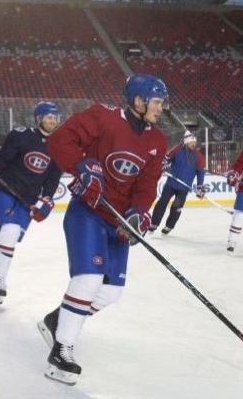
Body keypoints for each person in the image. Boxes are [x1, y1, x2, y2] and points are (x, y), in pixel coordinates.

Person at [36, 74, 167, 385]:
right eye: (158, 102)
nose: (161, 108)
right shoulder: (102, 117)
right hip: (88, 213)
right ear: (139, 100)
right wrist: (82, 165)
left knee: (111, 292)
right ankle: (62, 349)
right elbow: (59, 141)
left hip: (118, 221)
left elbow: (146, 186)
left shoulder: (157, 141)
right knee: (89, 278)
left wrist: (139, 214)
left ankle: (57, 321)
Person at [0, 101, 63, 304]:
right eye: (49, 116)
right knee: (10, 232)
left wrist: (47, 198)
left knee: (3, 239)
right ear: (38, 118)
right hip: (5, 191)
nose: (53, 121)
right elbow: (2, 158)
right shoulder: (21, 135)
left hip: (28, 201)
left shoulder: (58, 146)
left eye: (55, 117)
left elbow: (52, 179)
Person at [149, 130, 206, 235]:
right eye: (191, 142)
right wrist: (162, 166)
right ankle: (154, 223)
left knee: (176, 206)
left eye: (194, 143)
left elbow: (200, 173)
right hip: (171, 183)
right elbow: (166, 159)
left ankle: (169, 226)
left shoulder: (198, 156)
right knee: (162, 202)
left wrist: (200, 188)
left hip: (183, 188)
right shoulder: (177, 149)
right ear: (186, 142)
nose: (193, 144)